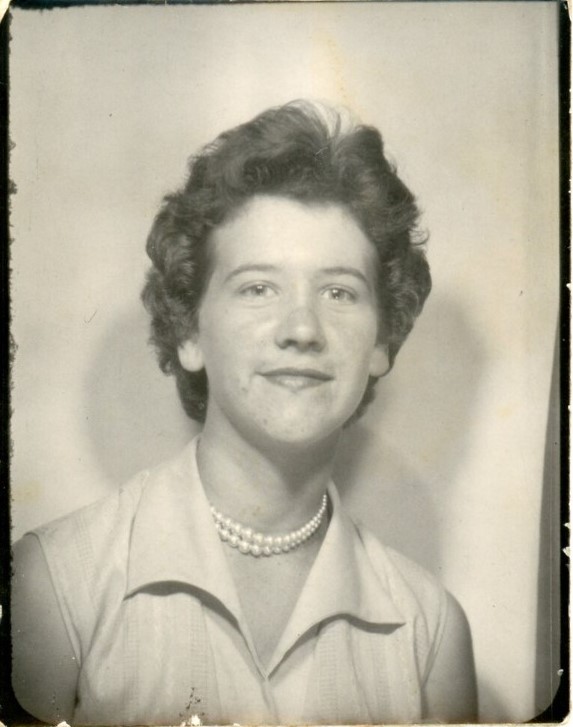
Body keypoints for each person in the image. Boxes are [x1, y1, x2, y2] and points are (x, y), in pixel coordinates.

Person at [12, 100, 477, 725]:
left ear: (382, 343)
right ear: (190, 331)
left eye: (339, 292)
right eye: (259, 288)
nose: (303, 328)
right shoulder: (55, 584)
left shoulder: (431, 633)